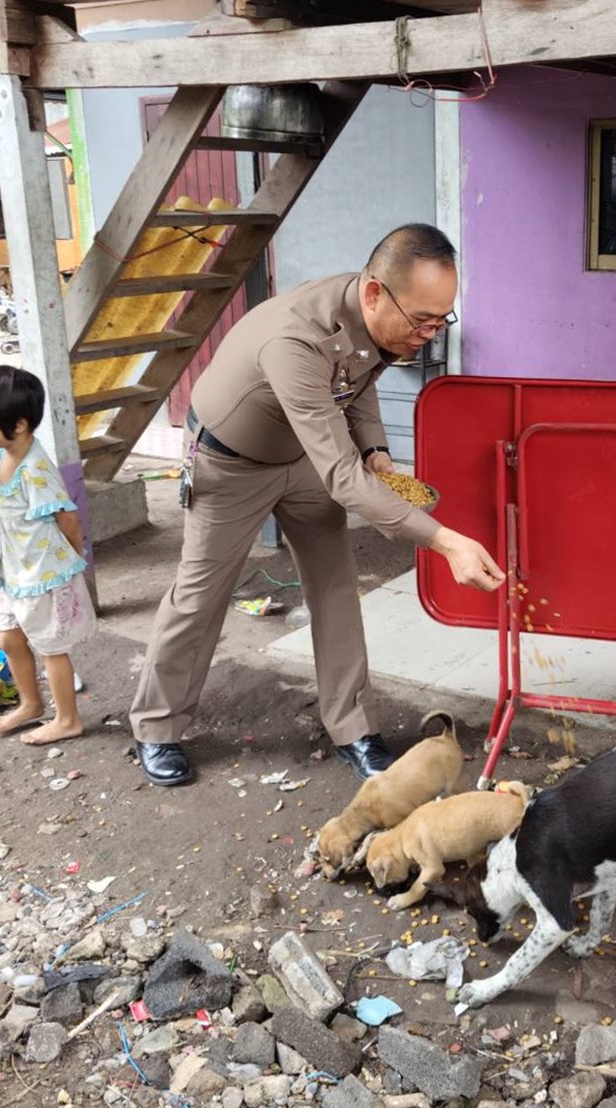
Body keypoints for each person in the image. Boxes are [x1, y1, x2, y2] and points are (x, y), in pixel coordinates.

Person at [129, 223, 504, 788]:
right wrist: (444, 540)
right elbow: (342, 475)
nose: (429, 333)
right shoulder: (296, 340)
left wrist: (377, 452)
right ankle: (157, 726)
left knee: (334, 588)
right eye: (422, 320)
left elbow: (359, 384)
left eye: (440, 319)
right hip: (231, 461)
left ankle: (353, 727)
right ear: (375, 292)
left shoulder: (377, 321)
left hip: (303, 456)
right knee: (201, 594)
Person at [0, 365, 96, 746]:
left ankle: (67, 718)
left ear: (17, 425)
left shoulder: (35, 469)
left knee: (51, 647)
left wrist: (72, 559)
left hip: (42, 573)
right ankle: (31, 704)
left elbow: (67, 517)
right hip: (15, 571)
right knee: (10, 639)